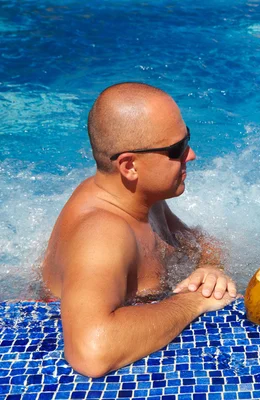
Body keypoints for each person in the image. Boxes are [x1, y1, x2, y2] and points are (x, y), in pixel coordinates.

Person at [41, 82, 238, 377]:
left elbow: (200, 242)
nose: (192, 155)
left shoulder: (142, 198)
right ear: (129, 165)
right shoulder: (102, 232)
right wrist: (192, 302)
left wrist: (210, 269)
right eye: (177, 149)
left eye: (188, 139)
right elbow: (90, 352)